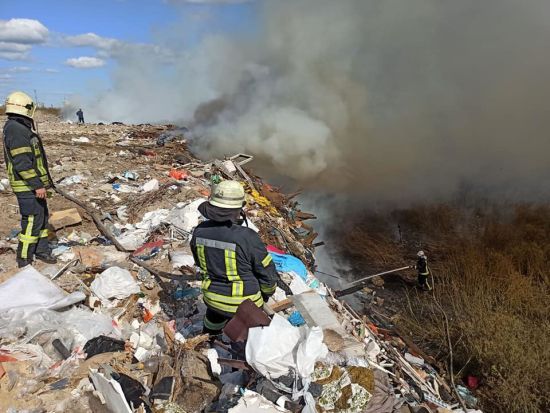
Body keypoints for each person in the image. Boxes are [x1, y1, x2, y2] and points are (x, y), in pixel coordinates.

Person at [190, 180, 278, 335]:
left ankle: (208, 338)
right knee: (253, 337)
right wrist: (266, 294)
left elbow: (199, 263)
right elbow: (267, 274)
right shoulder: (248, 237)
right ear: (239, 208)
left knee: (214, 316)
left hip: (212, 299)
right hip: (245, 304)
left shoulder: (199, 231)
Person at [3, 91, 56, 267]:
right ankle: (24, 257)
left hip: (33, 185)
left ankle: (41, 250)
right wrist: (37, 185)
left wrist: (43, 184)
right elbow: (22, 163)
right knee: (32, 220)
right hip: (26, 186)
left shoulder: (20, 127)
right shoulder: (16, 129)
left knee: (42, 218)